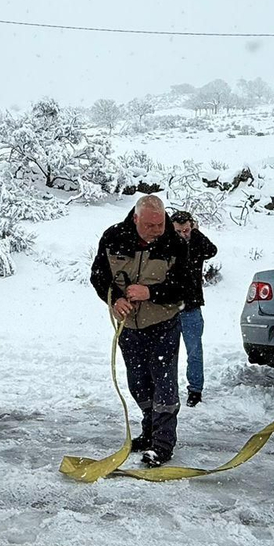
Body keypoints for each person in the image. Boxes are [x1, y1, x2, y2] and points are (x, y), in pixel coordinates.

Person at [90, 194, 190, 466]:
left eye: (160, 224)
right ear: (136, 219)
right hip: (129, 328)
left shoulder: (175, 243)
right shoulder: (113, 237)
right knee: (138, 384)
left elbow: (186, 288)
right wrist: (114, 300)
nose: (157, 230)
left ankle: (163, 443)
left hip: (163, 325)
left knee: (164, 384)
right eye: (150, 226)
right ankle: (149, 430)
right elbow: (99, 276)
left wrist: (151, 292)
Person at [168, 210, 218, 407]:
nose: (183, 234)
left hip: (191, 307)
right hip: (168, 308)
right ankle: (167, 389)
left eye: (186, 230)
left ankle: (195, 390)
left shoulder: (196, 244)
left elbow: (211, 250)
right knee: (167, 354)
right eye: (179, 231)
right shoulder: (166, 245)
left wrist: (195, 234)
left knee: (194, 352)